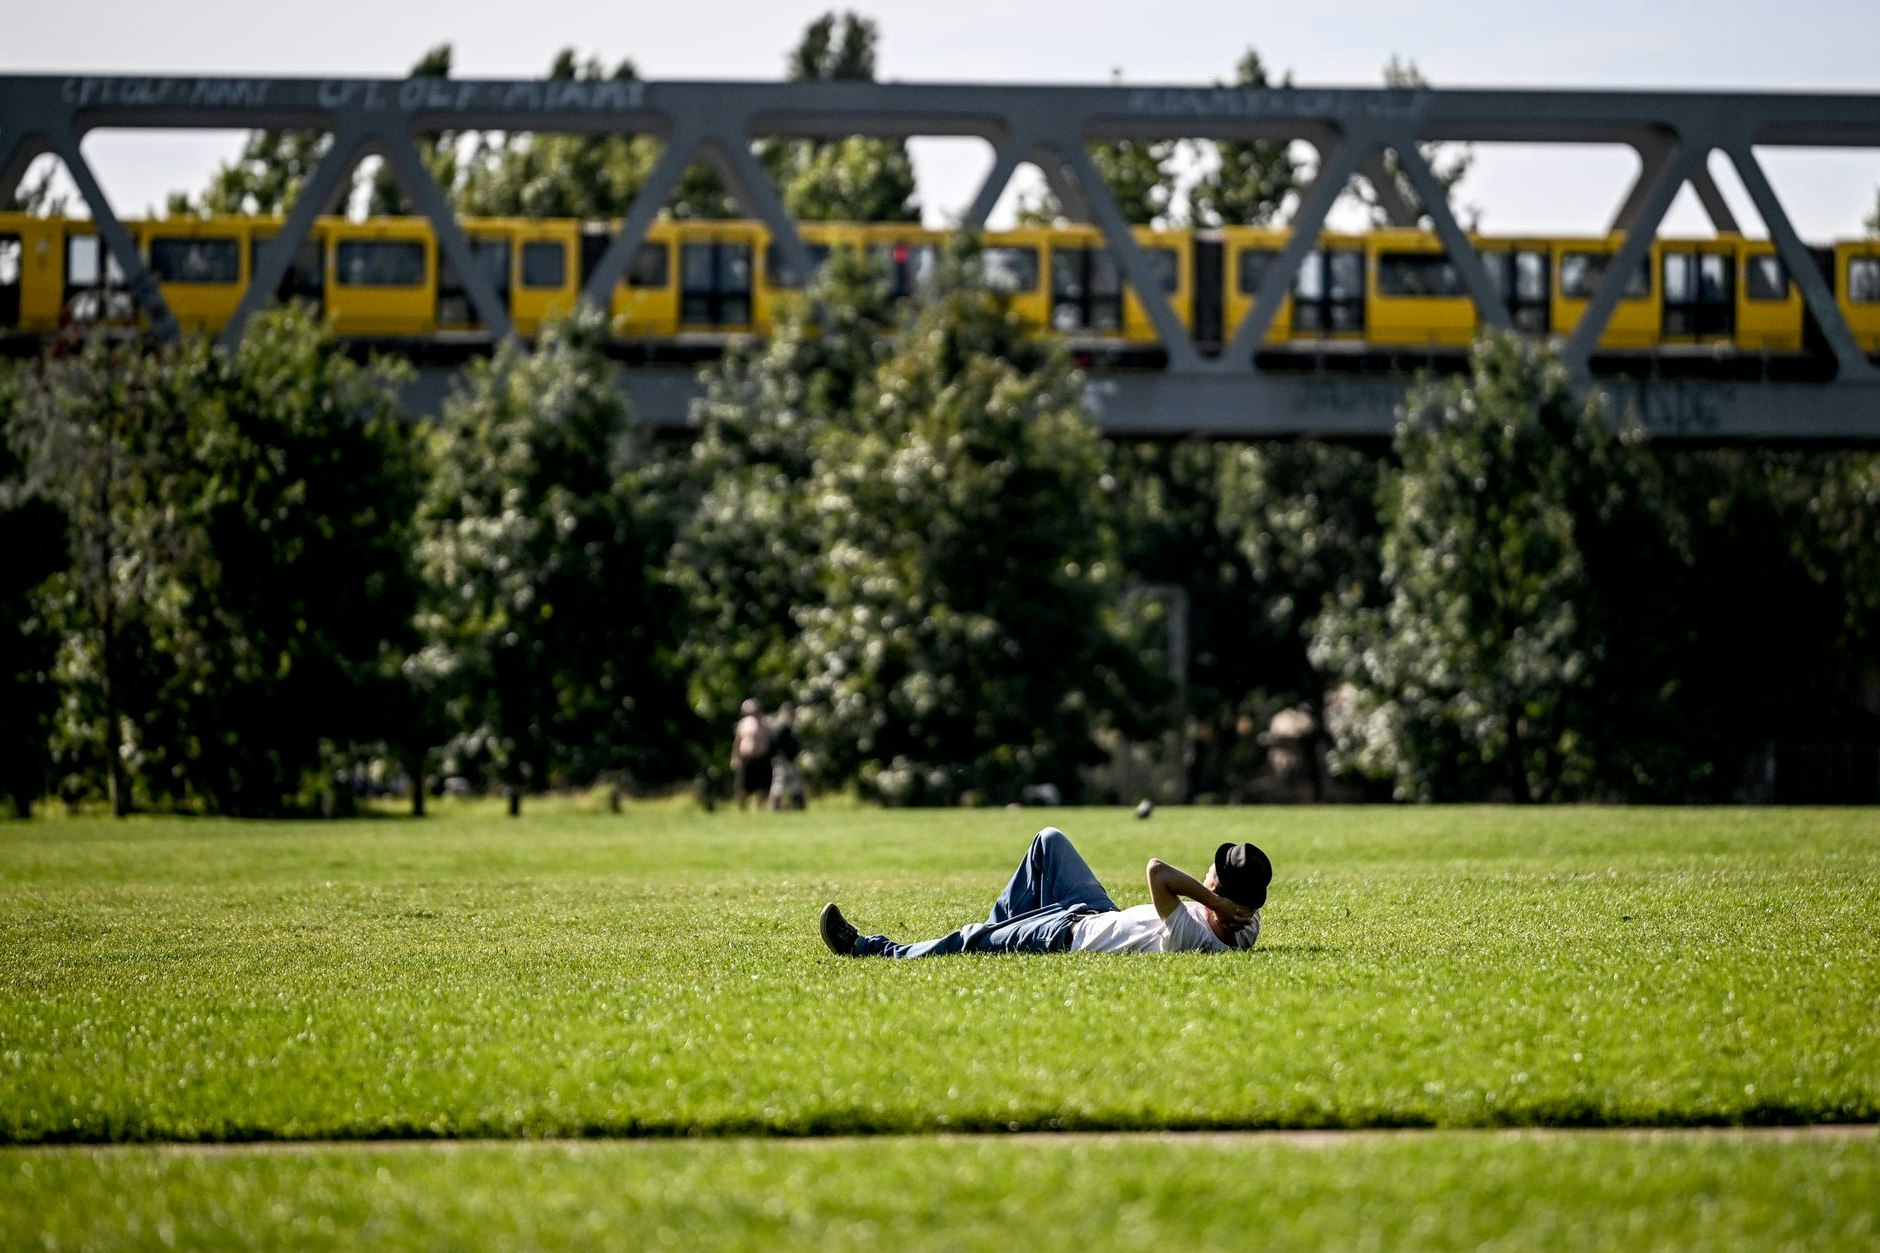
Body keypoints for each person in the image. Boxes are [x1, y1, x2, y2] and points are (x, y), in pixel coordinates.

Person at [819, 826, 1271, 958]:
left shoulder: (1193, 938)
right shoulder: (1247, 925)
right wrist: (1226, 903)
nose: (1208, 870)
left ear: (1219, 893)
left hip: (1065, 933)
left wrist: (1213, 901)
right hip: (1098, 912)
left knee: (970, 939)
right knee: (1049, 841)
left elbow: (1157, 871)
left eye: (1213, 873)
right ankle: (1000, 931)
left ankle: (870, 949)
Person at [731, 698, 772, 811]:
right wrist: (735, 758)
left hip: (762, 758)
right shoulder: (743, 723)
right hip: (747, 759)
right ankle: (743, 810)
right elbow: (737, 742)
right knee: (743, 787)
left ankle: (760, 809)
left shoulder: (766, 722)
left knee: (762, 787)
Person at [768, 701, 806, 812]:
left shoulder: (787, 727)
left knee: (793, 782)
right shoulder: (781, 727)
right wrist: (783, 759)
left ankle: (796, 804)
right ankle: (778, 805)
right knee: (780, 783)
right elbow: (778, 747)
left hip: (787, 759)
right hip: (783, 760)